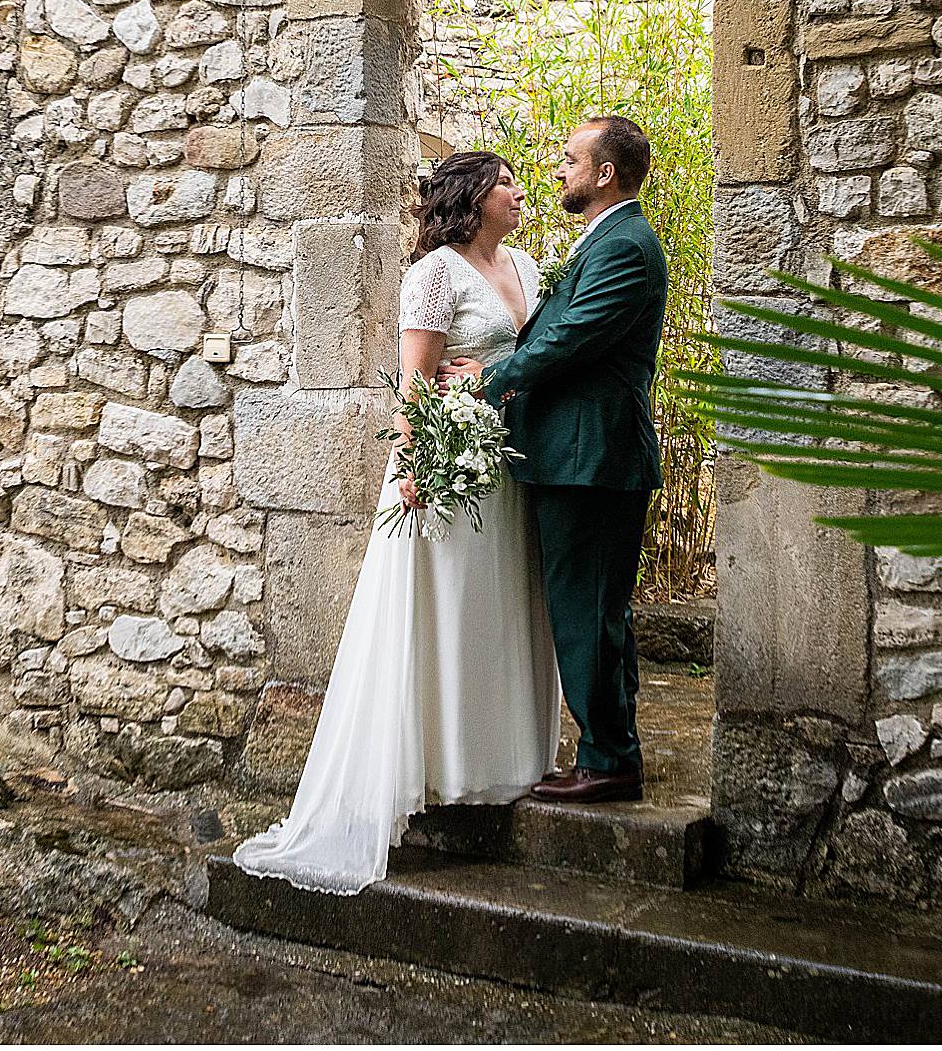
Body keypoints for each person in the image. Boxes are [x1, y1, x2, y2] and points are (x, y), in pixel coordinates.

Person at [231, 151, 561, 894]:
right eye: (505, 182)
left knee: (504, 608)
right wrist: (413, 468)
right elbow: (416, 385)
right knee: (446, 607)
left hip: (509, 463)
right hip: (446, 461)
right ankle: (438, 763)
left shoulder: (531, 268)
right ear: (472, 197)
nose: (518, 191)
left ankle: (503, 759)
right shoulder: (434, 275)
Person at [452, 115, 668, 804]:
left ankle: (608, 762)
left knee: (587, 614)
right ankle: (611, 749)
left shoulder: (625, 246)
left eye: (569, 159)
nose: (558, 169)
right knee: (596, 612)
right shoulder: (604, 238)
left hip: (592, 456)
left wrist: (486, 379)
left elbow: (573, 338)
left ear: (605, 173)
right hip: (575, 455)